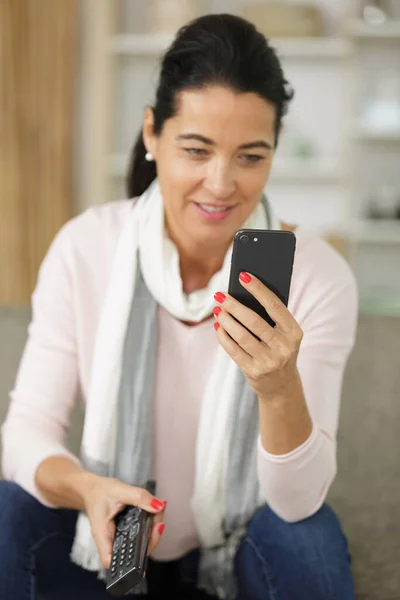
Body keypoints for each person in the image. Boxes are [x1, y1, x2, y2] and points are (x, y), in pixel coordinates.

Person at [0, 13, 359, 600]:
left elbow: (297, 502)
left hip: (239, 547)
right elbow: (25, 433)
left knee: (308, 535)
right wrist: (87, 489)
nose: (221, 185)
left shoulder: (318, 277)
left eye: (250, 156)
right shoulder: (86, 247)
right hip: (114, 534)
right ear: (151, 133)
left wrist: (278, 388)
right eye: (197, 149)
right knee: (11, 509)